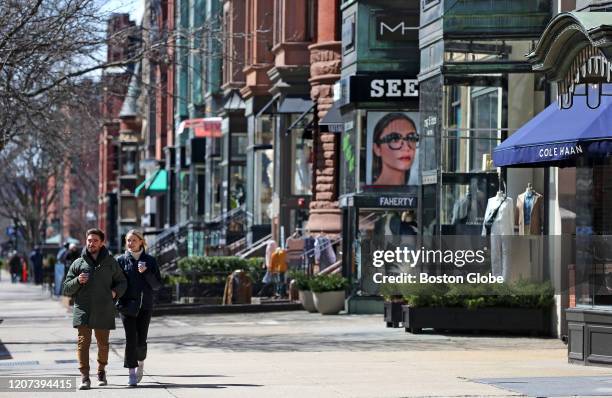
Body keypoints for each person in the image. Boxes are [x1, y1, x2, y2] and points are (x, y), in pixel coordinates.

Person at [63, 229, 127, 390]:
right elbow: (66, 289)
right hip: (83, 309)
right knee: (82, 343)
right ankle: (84, 377)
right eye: (89, 240)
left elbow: (122, 282)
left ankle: (101, 371)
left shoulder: (111, 262)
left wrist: (115, 292)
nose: (91, 243)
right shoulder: (78, 263)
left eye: (95, 241)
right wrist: (77, 280)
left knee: (103, 344)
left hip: (104, 309)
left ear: (102, 243)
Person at [116, 229, 162, 387]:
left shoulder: (150, 261)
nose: (130, 243)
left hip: (145, 306)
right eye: (128, 240)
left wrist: (146, 272)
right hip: (127, 306)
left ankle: (141, 363)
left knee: (141, 340)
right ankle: (131, 373)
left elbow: (156, 285)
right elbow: (115, 283)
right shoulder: (120, 260)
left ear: (141, 241)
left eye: (134, 240)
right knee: (131, 339)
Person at [371, 113, 419, 186]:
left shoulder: (420, 190)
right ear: (377, 148)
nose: (406, 148)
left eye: (412, 138)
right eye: (394, 139)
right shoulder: (367, 191)